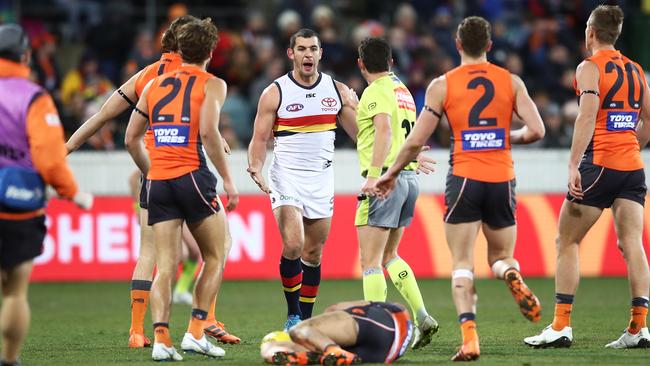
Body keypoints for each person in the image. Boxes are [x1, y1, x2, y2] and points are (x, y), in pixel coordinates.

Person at [374, 16, 545, 361]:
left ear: (457, 44)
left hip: (464, 176)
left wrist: (391, 173)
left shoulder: (443, 85)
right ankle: (510, 273)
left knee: (462, 263)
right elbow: (537, 130)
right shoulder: (510, 81)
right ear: (490, 46)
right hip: (502, 178)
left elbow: (414, 141)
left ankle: (470, 339)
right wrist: (501, 139)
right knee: (500, 257)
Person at [66, 15, 240, 347]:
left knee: (151, 254)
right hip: (187, 170)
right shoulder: (199, 77)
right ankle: (204, 322)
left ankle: (137, 331)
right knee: (220, 246)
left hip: (154, 172)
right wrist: (215, 139)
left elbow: (104, 114)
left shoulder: (149, 75)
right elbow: (200, 121)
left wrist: (68, 146)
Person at [525, 5, 650, 349]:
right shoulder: (637, 70)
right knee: (632, 245)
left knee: (566, 241)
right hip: (632, 169)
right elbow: (649, 120)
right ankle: (639, 329)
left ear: (591, 33)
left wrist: (573, 165)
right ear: (618, 34)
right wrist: (630, 147)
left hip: (599, 165)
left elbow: (586, 115)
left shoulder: (589, 67)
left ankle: (561, 326)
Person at [125, 18, 237, 361]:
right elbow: (208, 134)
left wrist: (153, 171)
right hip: (191, 175)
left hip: (157, 181)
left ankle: (160, 340)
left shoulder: (153, 85)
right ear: (211, 51)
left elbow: (130, 139)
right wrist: (229, 181)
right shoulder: (213, 84)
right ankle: (195, 332)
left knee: (166, 264)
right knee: (218, 253)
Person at [247, 28, 358, 331]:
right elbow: (259, 138)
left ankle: (306, 322)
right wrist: (255, 165)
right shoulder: (276, 92)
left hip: (321, 178)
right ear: (291, 54)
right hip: (286, 177)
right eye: (301, 49)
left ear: (321, 53)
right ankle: (293, 314)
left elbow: (363, 136)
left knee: (313, 252)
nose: (307, 54)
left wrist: (357, 107)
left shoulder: (336, 91)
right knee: (294, 244)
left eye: (313, 49)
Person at [0, 24, 92, 366]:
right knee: (14, 292)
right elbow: (49, 159)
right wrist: (72, 193)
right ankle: (9, 361)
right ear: (25, 55)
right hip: (18, 205)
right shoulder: (33, 96)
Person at [353, 37, 438, 350]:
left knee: (371, 262)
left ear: (361, 64)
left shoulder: (375, 91)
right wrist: (413, 158)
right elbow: (408, 133)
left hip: (386, 182)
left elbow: (385, 131)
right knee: (390, 256)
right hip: (409, 178)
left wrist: (374, 177)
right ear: (390, 61)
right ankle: (421, 315)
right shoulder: (402, 91)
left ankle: (378, 334)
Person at [261, 300, 412, 365]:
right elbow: (334, 308)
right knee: (297, 330)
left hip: (377, 345)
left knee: (298, 331)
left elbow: (335, 309)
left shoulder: (317, 336)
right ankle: (329, 353)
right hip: (390, 349)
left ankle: (329, 352)